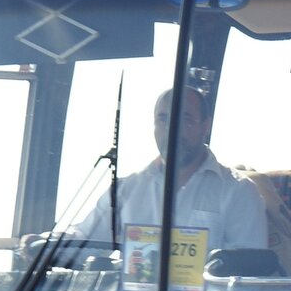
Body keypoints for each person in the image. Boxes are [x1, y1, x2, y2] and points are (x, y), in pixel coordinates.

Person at [74, 87, 267, 255]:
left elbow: (246, 276)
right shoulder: (124, 190)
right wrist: (46, 246)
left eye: (185, 119)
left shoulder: (238, 192)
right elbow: (81, 245)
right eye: (163, 119)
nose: (172, 129)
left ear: (205, 127)